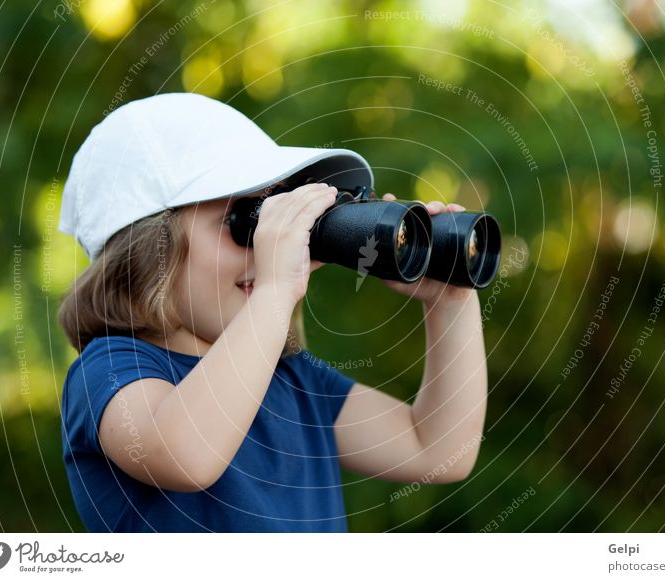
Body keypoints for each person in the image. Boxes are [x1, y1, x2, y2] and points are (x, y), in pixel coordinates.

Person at [57, 92, 487, 532]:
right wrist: (275, 288)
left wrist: (448, 303)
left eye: (281, 221)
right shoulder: (108, 371)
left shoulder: (292, 381)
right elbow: (186, 455)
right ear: (148, 251)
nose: (270, 245)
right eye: (245, 222)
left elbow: (436, 448)